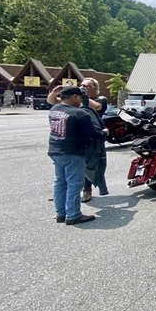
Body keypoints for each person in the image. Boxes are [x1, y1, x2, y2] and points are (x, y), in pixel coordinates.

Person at [48, 86, 108, 225]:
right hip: (73, 152)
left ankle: (60, 214)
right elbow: (93, 134)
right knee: (74, 184)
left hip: (55, 149)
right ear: (74, 96)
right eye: (80, 97)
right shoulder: (80, 114)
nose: (81, 100)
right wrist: (105, 132)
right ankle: (73, 215)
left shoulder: (54, 110)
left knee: (60, 183)